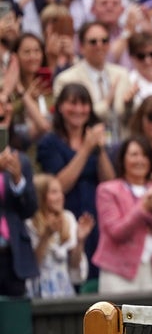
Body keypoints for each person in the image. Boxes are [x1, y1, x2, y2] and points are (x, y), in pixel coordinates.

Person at [37, 83, 113, 272]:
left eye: (84, 104)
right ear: (61, 107)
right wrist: (86, 149)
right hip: (66, 218)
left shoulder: (94, 141)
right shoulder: (49, 143)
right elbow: (60, 185)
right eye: (72, 103)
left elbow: (110, 183)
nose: (79, 110)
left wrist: (100, 149)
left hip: (96, 219)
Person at [91, 135, 152, 294]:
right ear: (123, 159)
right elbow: (117, 232)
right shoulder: (108, 190)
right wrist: (143, 209)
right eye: (134, 155)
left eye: (144, 155)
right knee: (119, 319)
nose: (140, 160)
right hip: (118, 273)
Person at [52, 20, 132, 134]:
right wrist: (106, 103)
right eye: (93, 42)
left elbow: (128, 116)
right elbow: (65, 118)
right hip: (85, 144)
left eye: (104, 41)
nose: (99, 46)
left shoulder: (122, 74)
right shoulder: (66, 79)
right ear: (81, 47)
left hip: (120, 143)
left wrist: (130, 104)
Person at [26, 173, 92, 297]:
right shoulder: (29, 223)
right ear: (41, 196)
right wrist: (46, 235)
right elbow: (33, 264)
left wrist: (80, 241)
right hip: (38, 291)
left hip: (64, 290)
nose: (61, 197)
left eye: (61, 192)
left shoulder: (68, 218)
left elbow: (74, 265)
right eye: (54, 192)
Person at [0, 140, 37, 297]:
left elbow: (29, 209)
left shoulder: (19, 160)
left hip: (12, 257)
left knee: (15, 317)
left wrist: (18, 180)